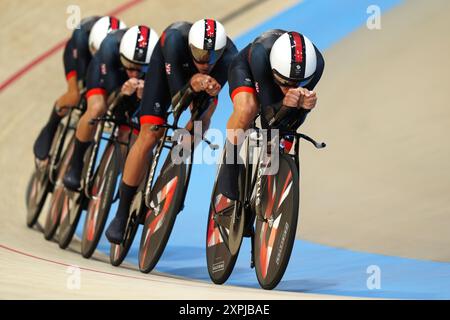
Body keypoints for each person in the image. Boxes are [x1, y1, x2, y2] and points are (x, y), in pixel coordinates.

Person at [105, 19, 238, 244]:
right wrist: (193, 83)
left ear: (221, 51)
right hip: (166, 72)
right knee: (150, 134)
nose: (206, 62)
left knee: (202, 121)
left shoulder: (229, 56)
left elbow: (203, 103)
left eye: (212, 57)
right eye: (200, 55)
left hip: (196, 84)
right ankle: (121, 212)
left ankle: (172, 166)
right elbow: (177, 101)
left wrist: (204, 93)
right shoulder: (176, 40)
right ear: (190, 47)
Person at [217, 29, 325, 201]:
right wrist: (285, 104)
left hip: (277, 77)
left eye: (300, 83)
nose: (291, 88)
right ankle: (229, 163)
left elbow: (291, 123)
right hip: (250, 70)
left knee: (283, 139)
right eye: (285, 83)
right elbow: (268, 122)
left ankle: (265, 199)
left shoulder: (317, 65)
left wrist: (304, 108)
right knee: (248, 109)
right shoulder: (261, 53)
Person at [62, 25, 159, 191]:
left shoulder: (156, 62)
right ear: (122, 55)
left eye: (141, 68)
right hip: (106, 72)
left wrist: (141, 96)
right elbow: (113, 96)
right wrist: (121, 92)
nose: (134, 73)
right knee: (97, 108)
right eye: (130, 65)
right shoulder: (110, 46)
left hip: (131, 77)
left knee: (133, 130)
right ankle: (76, 166)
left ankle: (113, 180)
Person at [33, 16, 126, 160]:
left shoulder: (119, 46)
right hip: (77, 56)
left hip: (104, 63)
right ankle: (51, 126)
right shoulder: (83, 38)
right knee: (75, 95)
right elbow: (86, 81)